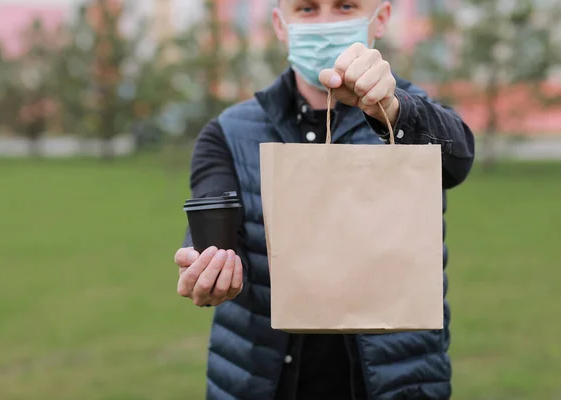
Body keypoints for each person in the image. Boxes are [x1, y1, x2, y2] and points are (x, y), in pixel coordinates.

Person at [173, 0, 475, 399]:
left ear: (380, 19)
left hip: (395, 383)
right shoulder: (227, 132)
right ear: (281, 25)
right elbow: (217, 224)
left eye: (345, 6)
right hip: (263, 381)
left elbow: (458, 161)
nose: (326, 22)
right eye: (308, 8)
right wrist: (209, 262)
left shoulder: (409, 115)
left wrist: (393, 109)